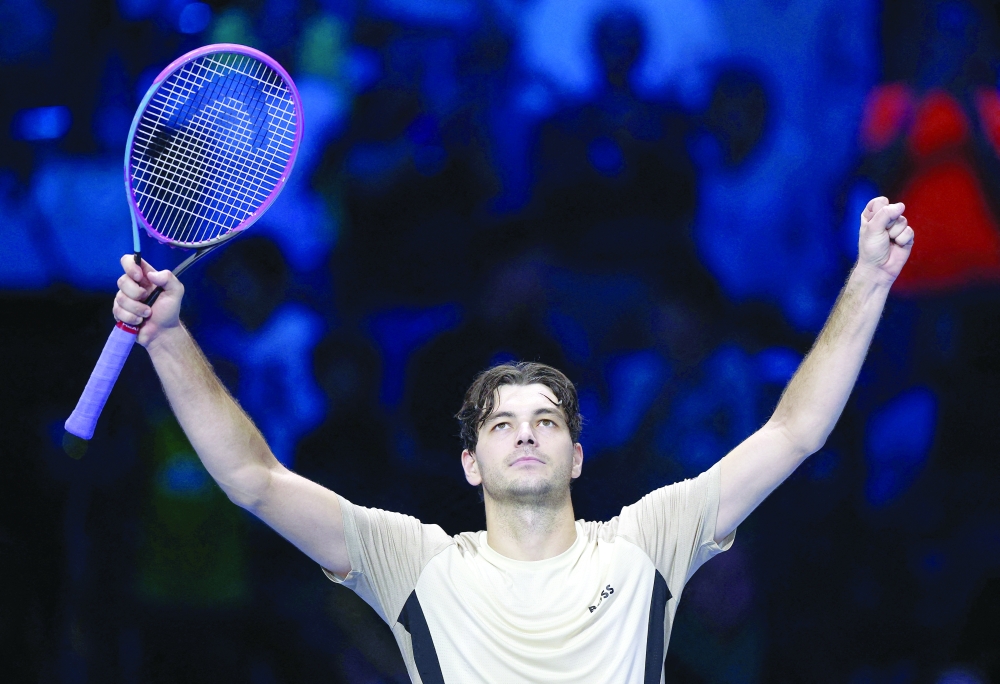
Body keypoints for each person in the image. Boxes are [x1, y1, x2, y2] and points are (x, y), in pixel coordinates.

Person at [111, 197, 914, 683]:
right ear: (469, 463)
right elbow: (252, 477)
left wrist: (870, 280)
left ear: (577, 455)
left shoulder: (647, 542)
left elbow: (796, 429)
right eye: (500, 422)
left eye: (547, 420)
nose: (525, 432)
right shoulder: (417, 562)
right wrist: (169, 337)